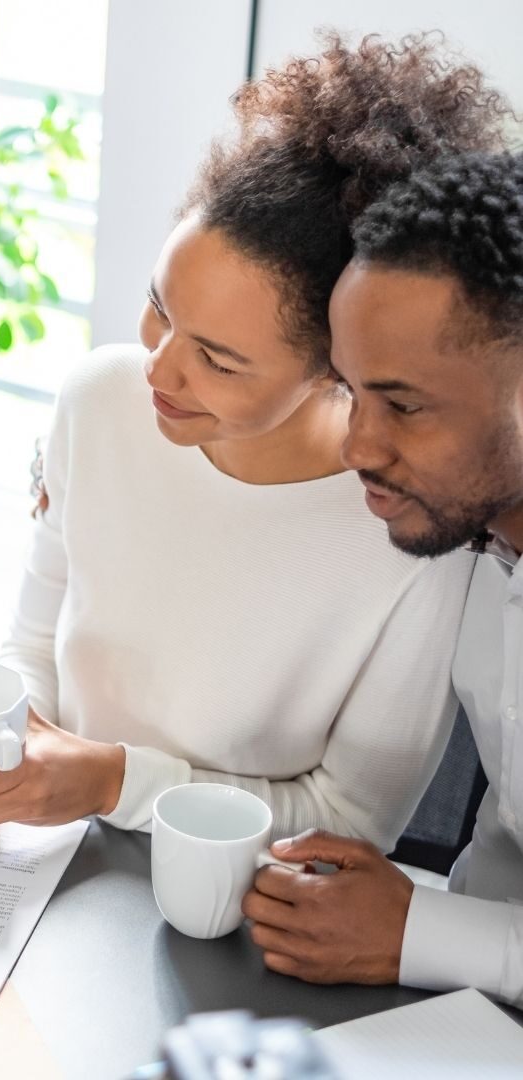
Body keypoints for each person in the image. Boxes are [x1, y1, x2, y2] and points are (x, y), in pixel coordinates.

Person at [0, 34, 510, 842]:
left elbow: (354, 823)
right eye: (160, 308)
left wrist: (112, 783)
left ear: (337, 367)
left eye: (217, 359)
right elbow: (33, 648)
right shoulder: (99, 399)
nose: (158, 370)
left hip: (236, 922)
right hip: (52, 866)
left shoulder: (412, 521)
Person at [242, 151, 523, 1008]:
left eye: (403, 406)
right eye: (350, 392)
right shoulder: (474, 535)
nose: (360, 447)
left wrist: (415, 932)